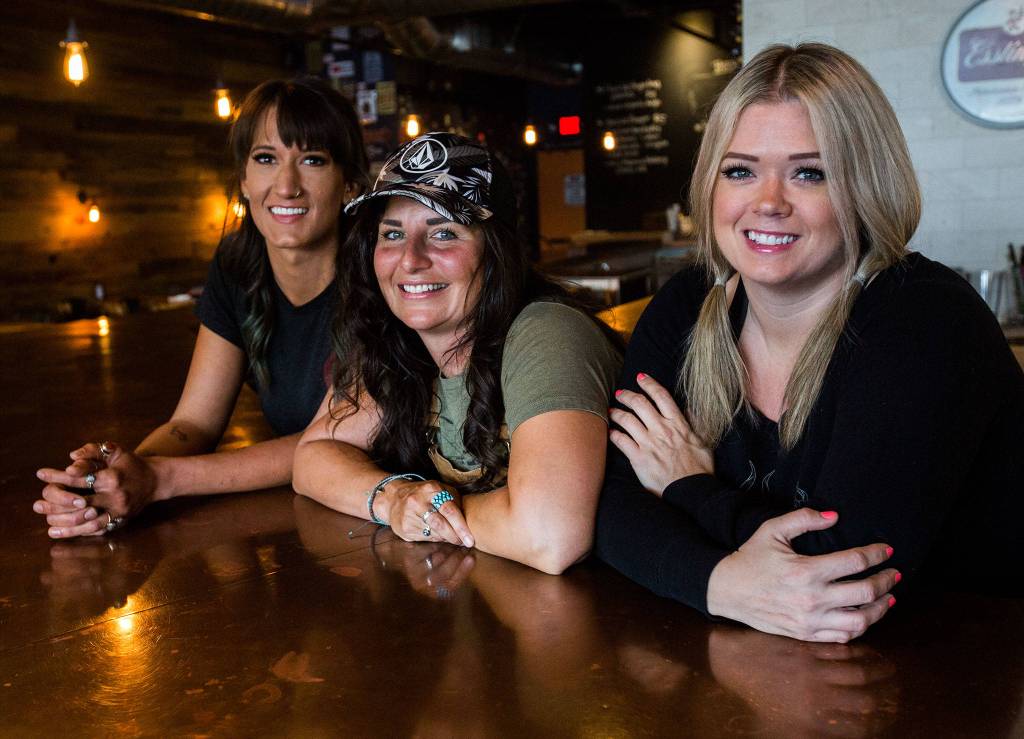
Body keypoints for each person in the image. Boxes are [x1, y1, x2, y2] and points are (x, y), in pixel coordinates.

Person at [595, 43, 1024, 642]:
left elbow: (844, 567)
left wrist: (686, 488)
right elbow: (608, 502)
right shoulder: (691, 305)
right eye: (740, 170)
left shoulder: (925, 318)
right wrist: (721, 584)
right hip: (764, 669)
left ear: (865, 186)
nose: (768, 202)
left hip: (963, 670)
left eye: (809, 172)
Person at [33, 77, 370, 538]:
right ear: (245, 181)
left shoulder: (381, 277)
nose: (287, 185)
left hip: (382, 520)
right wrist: (116, 479)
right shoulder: (237, 267)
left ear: (349, 185)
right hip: (304, 517)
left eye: (312, 160)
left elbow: (331, 442)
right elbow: (194, 421)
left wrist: (160, 480)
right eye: (266, 158)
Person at [293, 132, 621, 575]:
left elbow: (550, 536)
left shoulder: (546, 333)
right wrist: (394, 499)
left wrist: (431, 513)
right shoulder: (398, 343)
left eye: (444, 233)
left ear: (495, 251)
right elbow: (313, 456)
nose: (410, 259)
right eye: (392, 234)